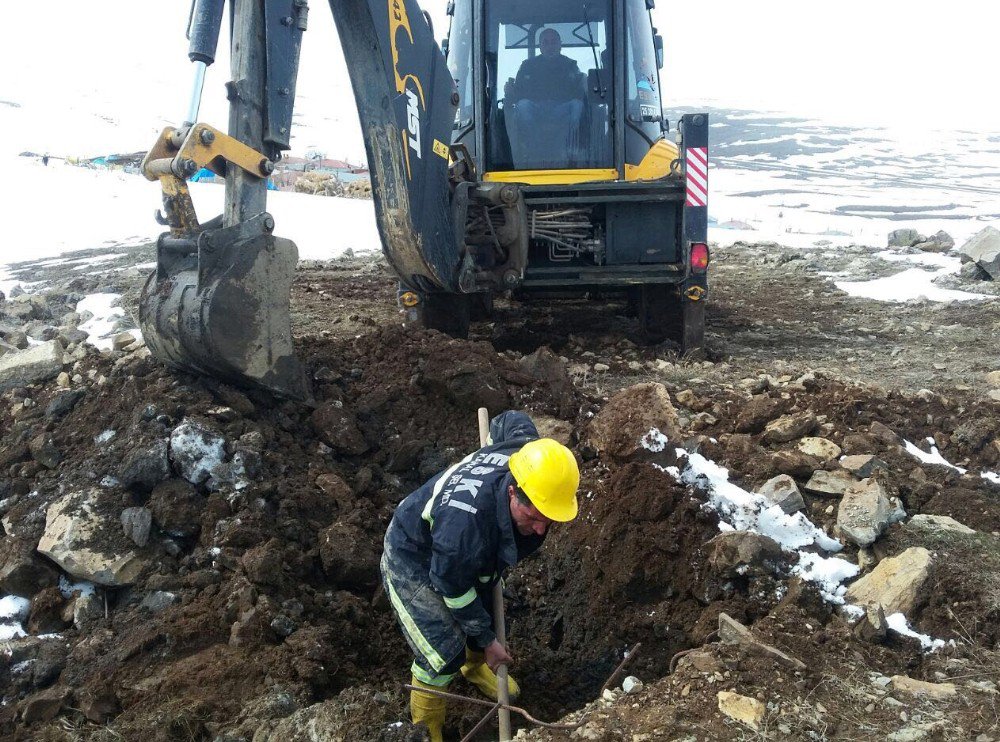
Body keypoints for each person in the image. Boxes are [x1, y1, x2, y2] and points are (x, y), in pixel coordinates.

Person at [381, 411, 580, 741]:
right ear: (513, 492)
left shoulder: (529, 458)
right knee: (442, 649)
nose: (541, 529)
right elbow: (451, 584)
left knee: (485, 607)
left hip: (467, 552)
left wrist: (488, 447)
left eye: (550, 519)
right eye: (534, 517)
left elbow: (509, 419)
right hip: (415, 553)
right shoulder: (464, 529)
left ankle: (474, 668)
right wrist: (489, 643)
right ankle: (427, 727)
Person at [506, 28, 586, 166]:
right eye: (546, 42)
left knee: (577, 106)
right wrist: (509, 91)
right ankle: (532, 149)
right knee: (523, 106)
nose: (550, 46)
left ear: (560, 44)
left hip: (561, 112)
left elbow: (580, 92)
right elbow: (518, 94)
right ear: (540, 46)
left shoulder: (571, 65)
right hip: (536, 111)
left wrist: (585, 81)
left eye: (553, 42)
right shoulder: (527, 66)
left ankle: (572, 150)